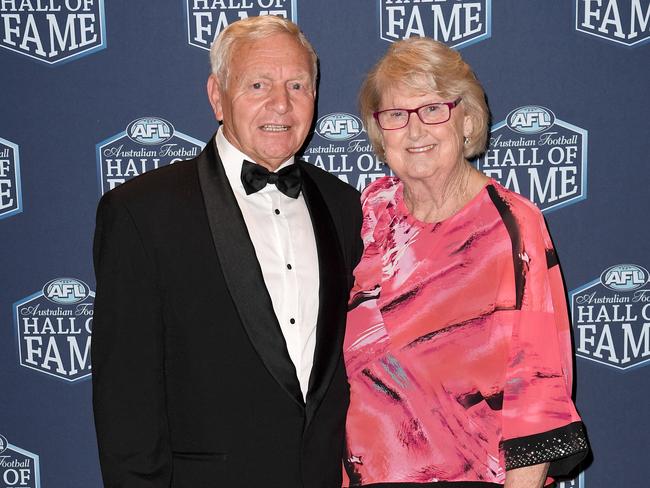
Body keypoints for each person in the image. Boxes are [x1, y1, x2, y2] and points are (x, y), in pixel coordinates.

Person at [91, 16, 362, 488]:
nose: (281, 103)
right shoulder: (141, 213)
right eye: (258, 84)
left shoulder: (344, 206)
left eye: (297, 84)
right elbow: (125, 402)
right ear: (217, 96)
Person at [342, 38, 588, 488]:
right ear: (380, 133)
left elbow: (536, 395)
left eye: (433, 109)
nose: (415, 131)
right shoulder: (370, 212)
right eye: (396, 115)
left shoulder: (512, 226)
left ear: (467, 121)